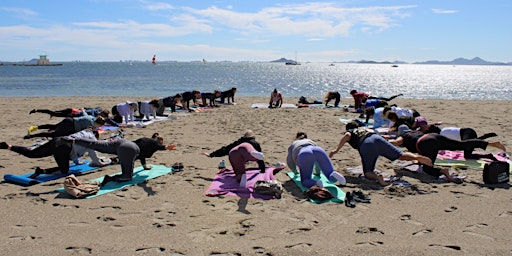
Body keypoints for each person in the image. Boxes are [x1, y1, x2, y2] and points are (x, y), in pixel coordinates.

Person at [388, 125, 507, 184]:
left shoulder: (403, 136)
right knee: (461, 145)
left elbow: (396, 142)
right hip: (433, 136)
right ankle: (490, 144)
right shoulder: (415, 131)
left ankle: (444, 173)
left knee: (428, 169)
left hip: (426, 144)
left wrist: (388, 141)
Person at [329, 121, 433, 186]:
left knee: (368, 172)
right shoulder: (365, 128)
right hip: (377, 138)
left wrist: (336, 150)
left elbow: (347, 135)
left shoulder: (351, 131)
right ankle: (417, 157)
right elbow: (379, 134)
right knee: (400, 155)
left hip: (366, 144)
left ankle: (379, 178)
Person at [66, 132, 177, 186]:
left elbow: (141, 157)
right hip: (129, 150)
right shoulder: (155, 143)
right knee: (127, 177)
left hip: (123, 142)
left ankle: (74, 140)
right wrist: (166, 147)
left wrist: (144, 167)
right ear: (159, 140)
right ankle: (109, 179)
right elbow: (161, 147)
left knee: (97, 145)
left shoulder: (145, 140)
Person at [1, 129, 107, 177]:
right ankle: (42, 171)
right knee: (64, 170)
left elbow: (76, 146)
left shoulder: (84, 132)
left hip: (58, 140)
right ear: (96, 136)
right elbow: (93, 155)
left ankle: (9, 146)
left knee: (32, 153)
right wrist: (100, 164)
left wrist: (77, 162)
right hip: (64, 148)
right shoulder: (92, 140)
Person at [415, 117, 499, 160]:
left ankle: (488, 156)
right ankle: (484, 138)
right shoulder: (443, 130)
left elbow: (449, 145)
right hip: (468, 132)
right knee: (472, 144)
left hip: (467, 134)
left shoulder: (442, 135)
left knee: (468, 155)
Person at [24, 115, 105, 139]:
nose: (99, 127)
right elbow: (85, 132)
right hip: (70, 126)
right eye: (100, 126)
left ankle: (36, 127)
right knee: (54, 134)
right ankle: (32, 136)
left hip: (69, 120)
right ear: (98, 123)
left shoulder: (91, 117)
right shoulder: (90, 124)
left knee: (54, 126)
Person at [29, 107, 106, 118]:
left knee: (53, 113)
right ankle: (36, 110)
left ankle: (36, 110)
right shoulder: (93, 114)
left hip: (72, 110)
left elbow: (85, 108)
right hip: (71, 113)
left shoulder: (95, 110)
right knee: (52, 113)